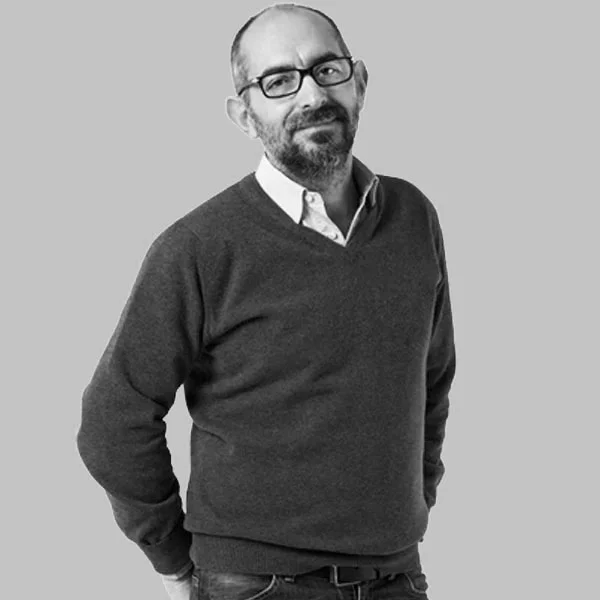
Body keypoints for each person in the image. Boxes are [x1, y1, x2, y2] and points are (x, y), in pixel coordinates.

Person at [76, 3, 456, 599]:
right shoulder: (199, 247)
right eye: (278, 81)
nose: (312, 95)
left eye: (327, 70)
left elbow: (433, 377)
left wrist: (417, 499)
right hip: (257, 584)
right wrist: (173, 560)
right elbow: (112, 421)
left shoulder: (413, 216)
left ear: (358, 82)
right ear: (244, 115)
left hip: (398, 576)